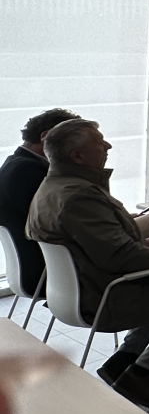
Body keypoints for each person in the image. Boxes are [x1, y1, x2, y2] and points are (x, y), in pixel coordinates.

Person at [27, 120, 149, 410]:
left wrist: (141, 248)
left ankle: (128, 358)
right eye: (100, 141)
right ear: (78, 156)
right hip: (105, 297)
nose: (108, 146)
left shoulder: (52, 188)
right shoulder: (80, 196)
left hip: (82, 288)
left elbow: (105, 248)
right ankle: (139, 370)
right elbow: (121, 257)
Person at [0, 108, 80, 297]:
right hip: (52, 272)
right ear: (46, 137)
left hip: (31, 267)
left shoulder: (14, 164)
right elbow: (68, 224)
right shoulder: (30, 173)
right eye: (74, 141)